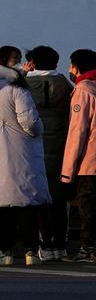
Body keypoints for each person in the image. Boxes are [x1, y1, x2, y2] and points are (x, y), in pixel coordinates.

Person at [0, 45, 48, 266]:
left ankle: (5, 252)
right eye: (15, 60)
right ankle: (30, 251)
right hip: (19, 149)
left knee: (1, 205)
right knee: (26, 201)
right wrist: (39, 130)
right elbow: (29, 121)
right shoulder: (17, 88)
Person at [20, 46, 73, 261]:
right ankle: (60, 245)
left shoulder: (23, 86)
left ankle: (45, 244)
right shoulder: (64, 85)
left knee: (39, 202)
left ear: (32, 62)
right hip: (60, 150)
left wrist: (22, 73)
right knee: (59, 200)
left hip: (32, 151)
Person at [60, 48, 96, 262]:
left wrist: (67, 172)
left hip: (89, 163)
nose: (69, 70)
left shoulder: (83, 91)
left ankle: (87, 249)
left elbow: (77, 132)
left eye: (71, 65)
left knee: (88, 206)